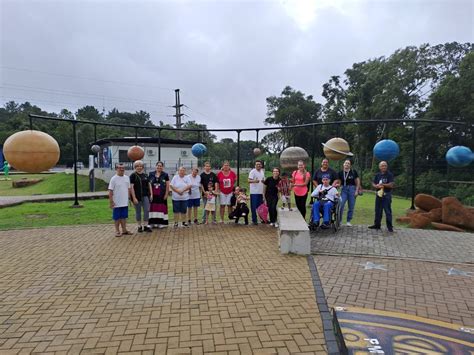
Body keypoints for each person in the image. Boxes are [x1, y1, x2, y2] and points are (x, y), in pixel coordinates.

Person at [369, 161, 395, 232]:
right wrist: (376, 186)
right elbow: (373, 183)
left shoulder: (390, 175)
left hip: (386, 195)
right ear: (379, 167)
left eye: (385, 165)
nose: (384, 167)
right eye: (382, 166)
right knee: (377, 210)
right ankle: (377, 225)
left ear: (387, 166)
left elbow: (391, 185)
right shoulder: (377, 175)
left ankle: (389, 227)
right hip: (379, 195)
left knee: (387, 211)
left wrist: (383, 184)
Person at [108, 163, 132, 237]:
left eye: (123, 168)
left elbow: (128, 189)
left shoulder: (127, 178)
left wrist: (129, 198)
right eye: (119, 168)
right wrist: (111, 201)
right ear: (116, 169)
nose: (121, 169)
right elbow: (110, 191)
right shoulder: (113, 179)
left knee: (124, 217)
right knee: (117, 217)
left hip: (124, 202)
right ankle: (117, 231)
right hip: (117, 202)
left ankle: (124, 230)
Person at [130, 160, 152, 233]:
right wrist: (134, 198)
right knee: (138, 212)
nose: (139, 167)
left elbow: (149, 185)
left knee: (147, 210)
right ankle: (139, 226)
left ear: (142, 167)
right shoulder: (133, 175)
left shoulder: (145, 175)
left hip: (145, 196)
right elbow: (131, 187)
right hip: (137, 196)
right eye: (137, 166)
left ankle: (146, 225)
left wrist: (151, 194)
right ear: (135, 167)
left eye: (140, 166)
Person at [338, 160, 361, 227]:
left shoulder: (353, 172)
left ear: (350, 165)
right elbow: (339, 182)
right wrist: (338, 189)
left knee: (351, 206)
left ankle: (348, 221)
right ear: (343, 164)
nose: (347, 164)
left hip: (352, 189)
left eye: (348, 163)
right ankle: (340, 221)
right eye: (346, 163)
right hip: (343, 190)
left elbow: (358, 181)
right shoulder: (340, 173)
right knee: (341, 205)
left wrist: (356, 190)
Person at [148, 161, 170, 229]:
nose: (159, 167)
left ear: (162, 167)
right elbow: (149, 184)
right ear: (156, 166)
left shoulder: (165, 175)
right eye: (158, 166)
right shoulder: (151, 174)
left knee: (161, 208)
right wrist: (151, 194)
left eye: (160, 166)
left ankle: (161, 223)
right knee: (153, 208)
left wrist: (166, 194)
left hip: (161, 195)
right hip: (153, 195)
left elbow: (167, 185)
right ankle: (152, 223)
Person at [248, 160, 265, 225]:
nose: (258, 165)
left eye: (259, 164)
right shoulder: (252, 172)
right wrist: (255, 181)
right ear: (255, 165)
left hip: (260, 192)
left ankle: (262, 219)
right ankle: (254, 220)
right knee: (253, 207)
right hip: (254, 192)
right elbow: (249, 180)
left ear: (261, 165)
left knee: (261, 207)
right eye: (257, 164)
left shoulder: (262, 171)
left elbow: (263, 180)